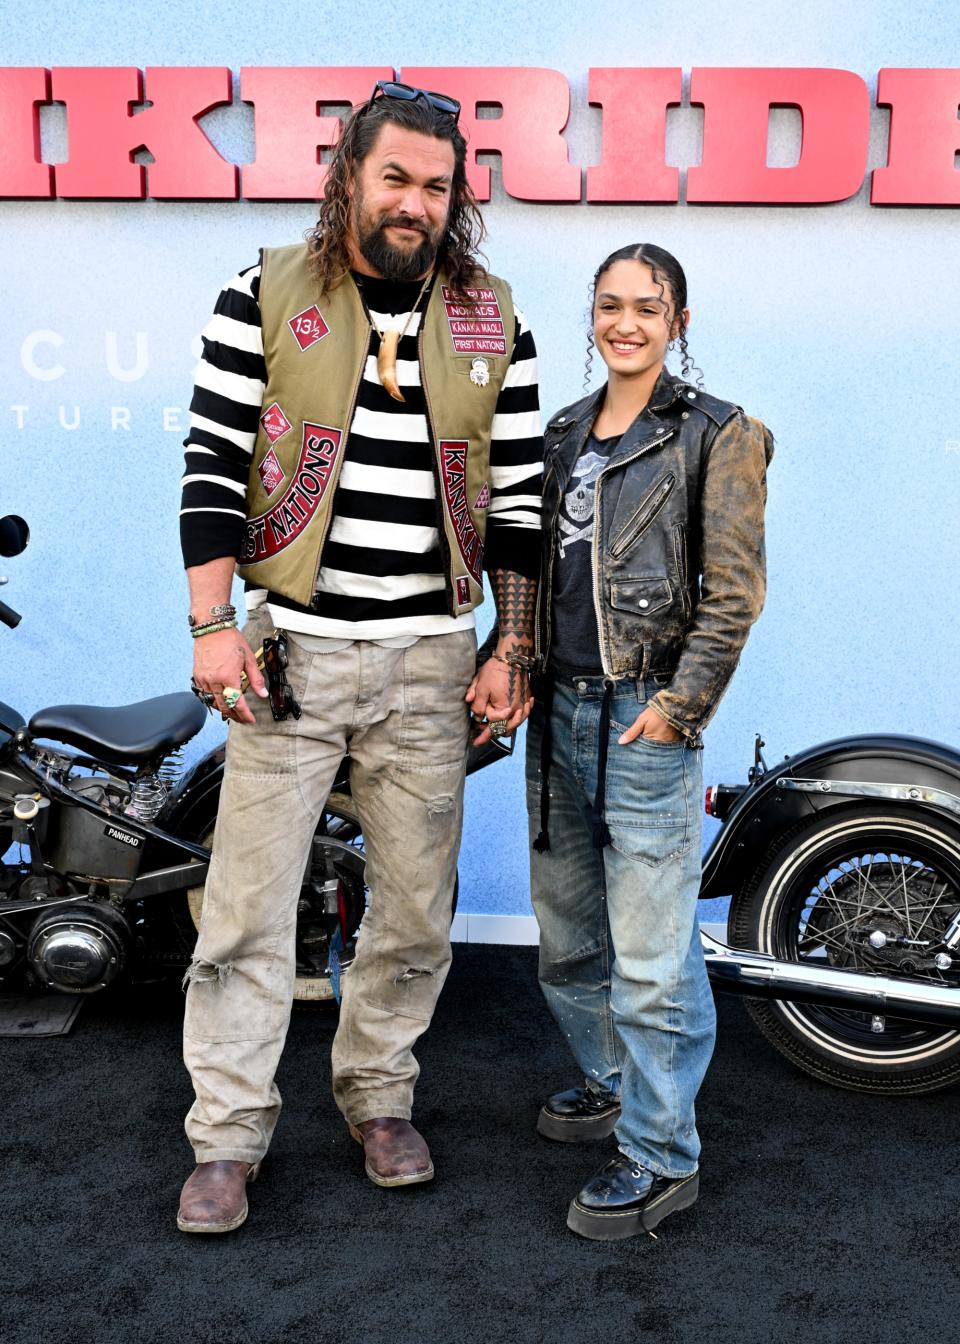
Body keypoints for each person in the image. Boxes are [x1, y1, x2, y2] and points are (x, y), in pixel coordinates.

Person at [176, 81, 542, 1234]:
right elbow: (210, 469)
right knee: (246, 908)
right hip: (293, 653)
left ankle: (380, 1098)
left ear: (455, 197)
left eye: (437, 186)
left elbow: (523, 504)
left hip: (432, 661)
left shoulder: (495, 319)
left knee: (417, 911)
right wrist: (211, 624)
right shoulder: (264, 291)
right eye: (395, 178)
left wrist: (510, 645)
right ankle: (227, 1136)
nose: (414, 203)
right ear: (349, 175)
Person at [527, 243, 773, 1241]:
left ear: (679, 319)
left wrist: (679, 708)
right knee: (571, 938)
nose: (625, 322)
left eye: (647, 306)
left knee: (654, 957)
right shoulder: (560, 434)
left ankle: (664, 1157)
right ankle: (611, 1083)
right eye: (609, 305)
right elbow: (533, 573)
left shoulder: (719, 433)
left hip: (644, 715)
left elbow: (735, 592)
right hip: (560, 709)